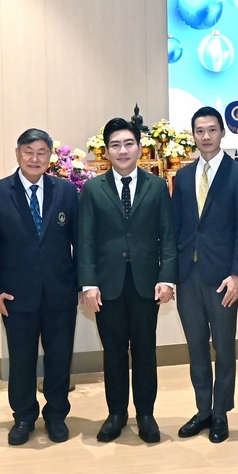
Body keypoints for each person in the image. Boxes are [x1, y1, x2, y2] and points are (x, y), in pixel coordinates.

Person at [0, 128, 78, 446]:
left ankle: (56, 415)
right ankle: (23, 417)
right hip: (15, 294)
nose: (35, 158)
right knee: (20, 359)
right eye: (29, 152)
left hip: (60, 292)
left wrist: (79, 283)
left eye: (42, 153)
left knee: (59, 358)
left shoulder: (65, 191)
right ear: (18, 153)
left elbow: (80, 242)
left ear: (50, 157)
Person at [78, 118, 176, 443]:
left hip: (147, 285)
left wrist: (168, 278)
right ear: (106, 151)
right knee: (114, 351)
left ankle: (146, 414)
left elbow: (168, 236)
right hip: (108, 286)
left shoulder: (157, 185)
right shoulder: (93, 189)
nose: (123, 150)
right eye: (116, 145)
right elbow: (86, 240)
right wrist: (88, 284)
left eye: (128, 143)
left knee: (146, 350)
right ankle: (116, 413)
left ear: (139, 147)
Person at [172, 107, 238, 443]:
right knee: (195, 348)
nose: (205, 136)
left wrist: (237, 273)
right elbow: (177, 226)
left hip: (223, 277)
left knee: (224, 347)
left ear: (221, 133)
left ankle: (221, 413)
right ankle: (202, 410)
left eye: (211, 130)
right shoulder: (183, 175)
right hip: (187, 274)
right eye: (199, 131)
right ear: (193, 135)